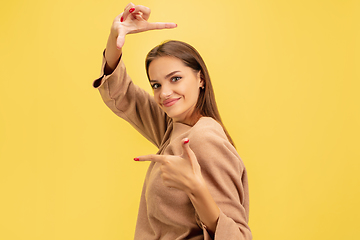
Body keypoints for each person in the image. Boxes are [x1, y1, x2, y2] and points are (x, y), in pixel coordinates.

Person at [93, 3, 252, 240]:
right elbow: (122, 95)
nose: (164, 93)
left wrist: (196, 189)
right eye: (156, 84)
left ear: (200, 79)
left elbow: (237, 236)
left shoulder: (204, 139)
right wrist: (115, 37)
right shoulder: (174, 128)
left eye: (175, 79)